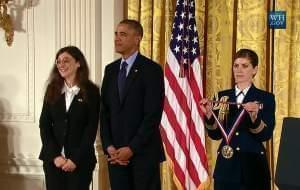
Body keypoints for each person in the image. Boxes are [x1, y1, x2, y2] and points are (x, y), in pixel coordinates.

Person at [100, 19, 165, 190]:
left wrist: (131, 148)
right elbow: (104, 112)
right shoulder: (110, 70)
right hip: (115, 156)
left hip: (143, 155)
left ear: (137, 39)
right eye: (116, 34)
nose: (117, 38)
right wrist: (109, 146)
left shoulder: (152, 70)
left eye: (123, 34)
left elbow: (152, 115)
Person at [199, 49, 275, 190]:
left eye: (245, 66)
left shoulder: (266, 98)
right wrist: (209, 115)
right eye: (236, 65)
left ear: (255, 69)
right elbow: (215, 135)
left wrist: (254, 118)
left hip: (253, 169)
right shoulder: (222, 97)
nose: (239, 70)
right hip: (226, 168)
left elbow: (266, 135)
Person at [39, 46, 100, 190]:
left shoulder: (91, 91)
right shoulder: (52, 89)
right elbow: (44, 125)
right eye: (58, 61)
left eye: (66, 61)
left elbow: (90, 129)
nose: (61, 65)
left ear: (78, 63)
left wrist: (75, 159)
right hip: (53, 162)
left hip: (80, 162)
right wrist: (55, 156)